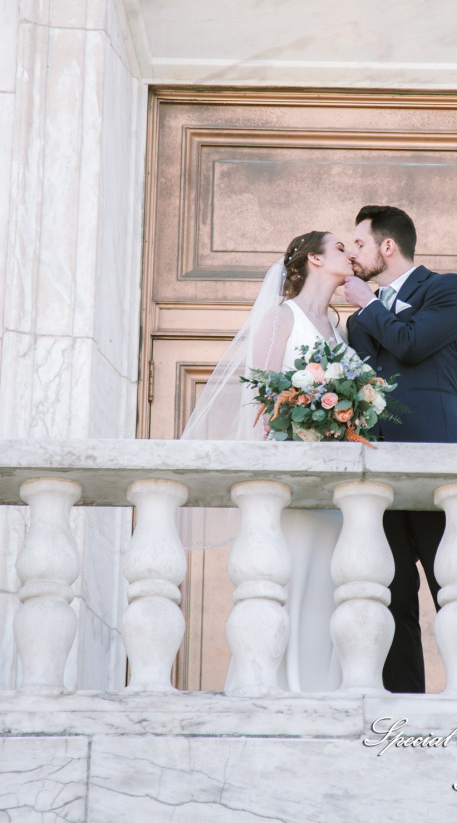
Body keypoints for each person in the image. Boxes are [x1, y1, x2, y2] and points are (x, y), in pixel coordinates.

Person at [181, 230, 352, 692]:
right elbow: (261, 401)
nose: (351, 254)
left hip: (333, 490)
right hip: (292, 484)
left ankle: (321, 692)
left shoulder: (340, 329)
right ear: (316, 259)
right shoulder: (281, 317)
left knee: (328, 592)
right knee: (288, 584)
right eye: (340, 247)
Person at [344, 204, 457, 695]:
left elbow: (411, 344)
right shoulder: (359, 320)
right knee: (391, 597)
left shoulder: (445, 288)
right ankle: (399, 708)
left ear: (388, 246)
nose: (353, 254)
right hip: (379, 471)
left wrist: (370, 303)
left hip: (441, 464)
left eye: (360, 244)